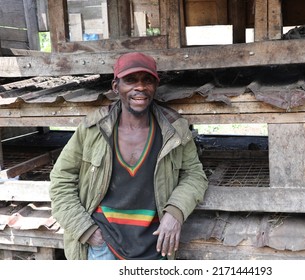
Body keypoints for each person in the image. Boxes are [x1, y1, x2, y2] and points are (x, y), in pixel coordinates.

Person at [49, 52, 209, 260]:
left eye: (148, 80)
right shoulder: (94, 129)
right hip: (103, 245)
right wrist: (86, 231)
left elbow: (194, 175)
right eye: (130, 80)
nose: (140, 87)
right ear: (116, 87)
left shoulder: (174, 130)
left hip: (155, 246)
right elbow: (61, 179)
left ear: (155, 86)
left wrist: (175, 212)